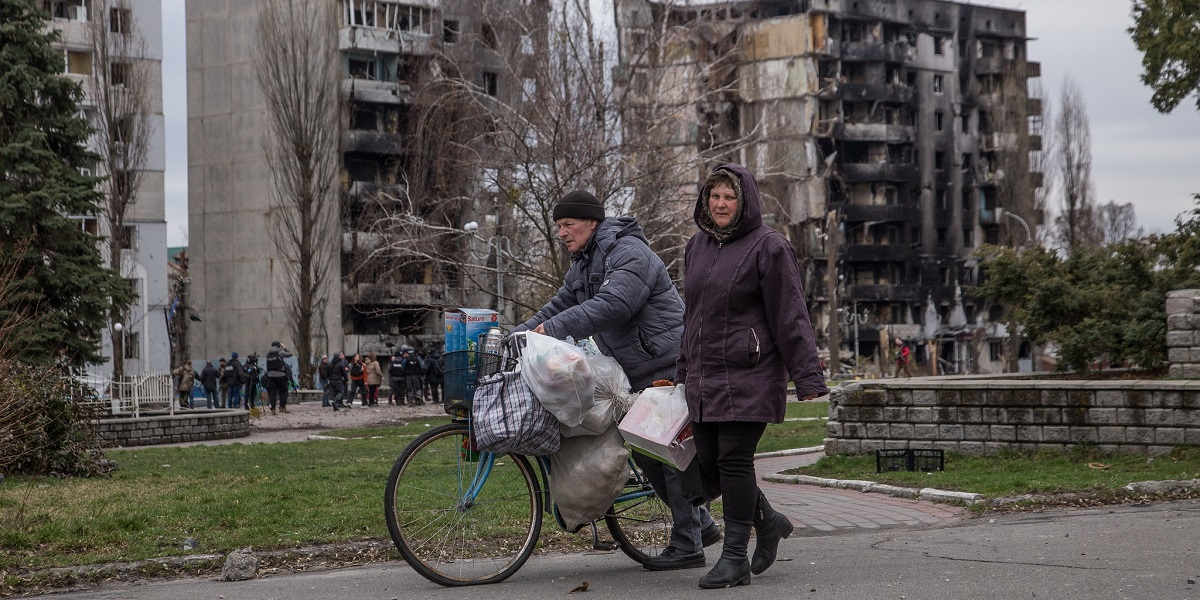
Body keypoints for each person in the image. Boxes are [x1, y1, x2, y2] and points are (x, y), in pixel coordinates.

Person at [516, 189, 721, 572]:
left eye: (568, 224)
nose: (561, 232)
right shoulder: (583, 263)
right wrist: (520, 334)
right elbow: (559, 304)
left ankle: (689, 542)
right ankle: (700, 523)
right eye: (557, 225)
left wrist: (551, 328)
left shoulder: (629, 252)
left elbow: (615, 305)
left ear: (592, 222)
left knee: (668, 452)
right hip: (637, 369)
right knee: (646, 450)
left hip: (669, 362)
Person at [677, 164, 828, 589]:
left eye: (729, 197)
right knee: (708, 464)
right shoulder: (697, 247)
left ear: (744, 202)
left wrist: (808, 377)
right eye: (714, 196)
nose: (721, 204)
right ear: (705, 201)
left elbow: (790, 314)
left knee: (735, 461)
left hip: (751, 375)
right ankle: (770, 521)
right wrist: (682, 371)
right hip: (705, 378)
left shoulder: (769, 246)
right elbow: (692, 318)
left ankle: (733, 558)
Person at [263, 341, 294, 414]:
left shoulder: (268, 354)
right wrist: (284, 348)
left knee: (272, 393)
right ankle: (282, 408)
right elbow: (290, 354)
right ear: (278, 346)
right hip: (281, 375)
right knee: (283, 392)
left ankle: (273, 410)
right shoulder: (280, 352)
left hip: (270, 376)